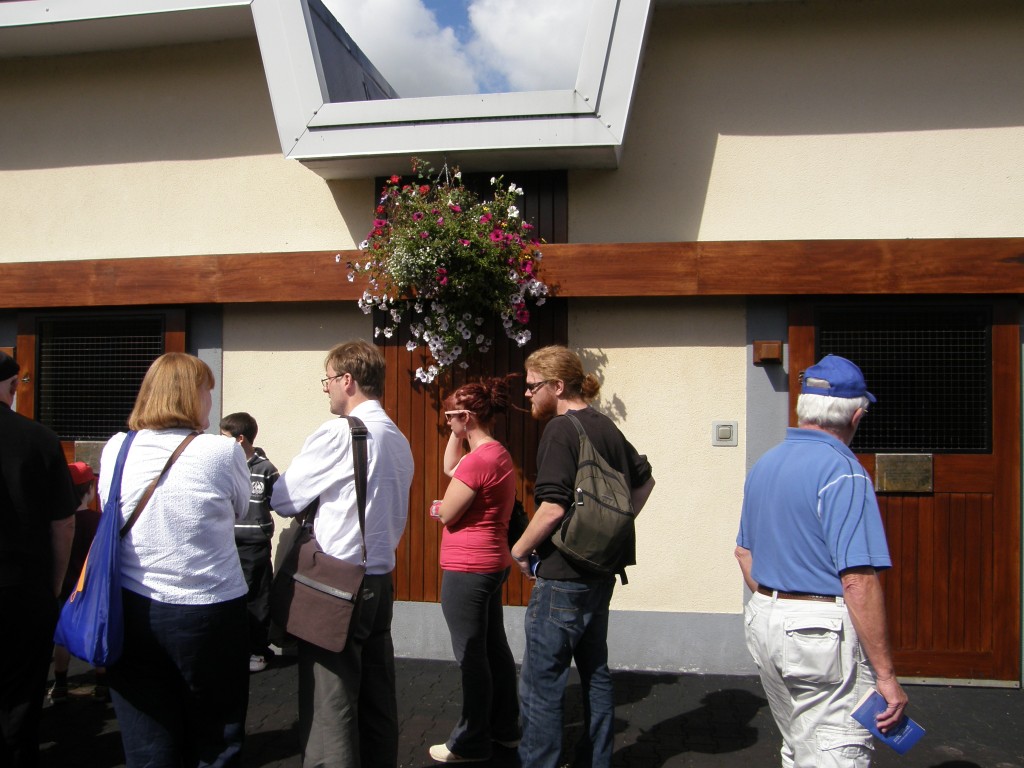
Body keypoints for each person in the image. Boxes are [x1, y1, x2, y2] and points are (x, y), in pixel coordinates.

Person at [734, 354, 909, 768]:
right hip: (818, 633)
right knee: (835, 752)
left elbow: (743, 552)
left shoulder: (766, 463)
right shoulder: (843, 471)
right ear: (857, 415)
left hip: (765, 618)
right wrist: (886, 678)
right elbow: (858, 582)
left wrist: (781, 604)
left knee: (798, 745)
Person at [100, 352, 251, 767]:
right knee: (216, 738)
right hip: (209, 611)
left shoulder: (117, 447)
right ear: (191, 395)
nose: (209, 400)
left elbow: (108, 507)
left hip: (131, 607)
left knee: (147, 740)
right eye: (206, 390)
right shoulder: (222, 451)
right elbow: (239, 510)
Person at [271, 340, 414, 768]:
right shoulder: (397, 437)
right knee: (376, 696)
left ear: (347, 381)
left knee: (329, 705)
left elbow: (284, 499)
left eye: (328, 380)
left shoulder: (339, 432)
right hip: (379, 579)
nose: (326, 389)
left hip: (337, 581)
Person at [510, 345, 655, 768]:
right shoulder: (605, 426)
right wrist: (611, 529)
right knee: (595, 675)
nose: (528, 395)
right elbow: (644, 484)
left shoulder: (560, 430)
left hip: (562, 577)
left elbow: (553, 507)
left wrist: (519, 551)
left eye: (533, 386)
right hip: (601, 573)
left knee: (541, 685)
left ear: (557, 386)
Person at [428, 377, 521, 764]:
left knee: (471, 655)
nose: (447, 422)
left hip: (468, 569)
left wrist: (437, 509)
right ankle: (504, 729)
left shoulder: (480, 460)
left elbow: (449, 511)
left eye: (451, 417)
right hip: (491, 565)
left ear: (466, 417)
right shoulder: (494, 453)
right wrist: (460, 431)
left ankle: (471, 741)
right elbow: (453, 466)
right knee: (493, 649)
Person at [0, 351, 77, 767]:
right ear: (12, 387)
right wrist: (54, 584)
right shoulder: (39, 439)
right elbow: (63, 524)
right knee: (20, 691)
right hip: (21, 586)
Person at [220, 412, 280, 674]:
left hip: (254, 545)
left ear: (240, 439)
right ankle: (235, 649)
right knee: (233, 599)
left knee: (257, 598)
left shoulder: (266, 469)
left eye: (225, 438)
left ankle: (258, 650)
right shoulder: (223, 466)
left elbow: (277, 501)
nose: (220, 443)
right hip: (228, 544)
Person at [49, 461, 106, 704]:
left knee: (61, 635)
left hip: (64, 585)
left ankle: (60, 683)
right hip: (91, 587)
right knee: (97, 631)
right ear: (91, 489)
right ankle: (102, 683)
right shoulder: (97, 521)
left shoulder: (55, 522)